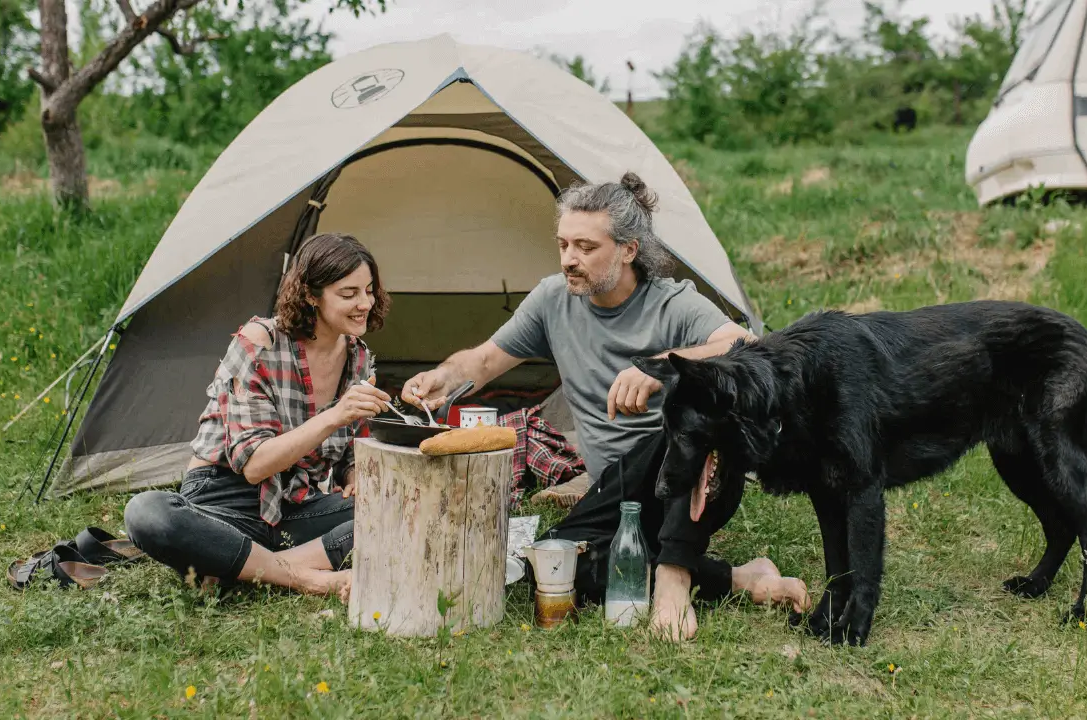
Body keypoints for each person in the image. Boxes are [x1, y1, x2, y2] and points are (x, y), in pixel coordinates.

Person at [402, 172, 810, 641]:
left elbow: (749, 347)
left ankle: (674, 582)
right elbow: (487, 359)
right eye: (563, 245)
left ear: (628, 249)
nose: (569, 260)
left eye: (585, 247)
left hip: (690, 479)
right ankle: (743, 578)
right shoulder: (553, 299)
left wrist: (662, 367)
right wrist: (440, 378)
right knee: (561, 570)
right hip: (617, 489)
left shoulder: (673, 304)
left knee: (698, 401)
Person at [124, 232, 394, 596]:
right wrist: (334, 415)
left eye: (369, 290)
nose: (364, 302)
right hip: (225, 501)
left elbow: (349, 453)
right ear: (311, 296)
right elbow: (254, 465)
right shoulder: (260, 343)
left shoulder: (358, 358)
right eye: (349, 294)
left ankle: (241, 569)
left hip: (295, 507)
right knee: (147, 513)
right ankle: (305, 576)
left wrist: (355, 475)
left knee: (395, 508)